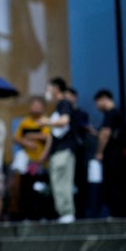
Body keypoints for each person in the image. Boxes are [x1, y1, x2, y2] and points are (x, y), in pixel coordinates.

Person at [40, 77, 77, 223]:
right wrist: (46, 152)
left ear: (56, 88)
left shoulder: (65, 103)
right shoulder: (58, 107)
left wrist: (47, 121)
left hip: (64, 151)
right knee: (57, 183)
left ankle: (67, 213)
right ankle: (63, 213)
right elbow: (52, 135)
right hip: (56, 152)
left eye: (48, 87)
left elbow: (64, 121)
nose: (47, 91)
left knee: (63, 182)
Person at [12, 96, 52, 221]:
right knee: (26, 190)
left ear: (43, 107)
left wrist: (31, 135)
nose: (35, 108)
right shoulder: (25, 122)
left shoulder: (46, 121)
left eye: (38, 105)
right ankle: (27, 216)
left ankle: (43, 215)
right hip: (27, 162)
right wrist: (27, 142)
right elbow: (16, 138)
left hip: (42, 162)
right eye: (33, 105)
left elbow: (47, 137)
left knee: (41, 189)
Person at [93, 89, 126, 217]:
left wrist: (99, 152)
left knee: (113, 184)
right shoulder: (117, 114)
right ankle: (121, 213)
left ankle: (117, 213)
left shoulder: (111, 113)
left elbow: (106, 133)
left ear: (103, 99)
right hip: (120, 156)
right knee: (120, 185)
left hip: (114, 156)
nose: (97, 107)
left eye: (97, 103)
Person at [65, 87, 91, 218]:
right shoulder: (63, 114)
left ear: (75, 97)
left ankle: (81, 212)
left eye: (69, 96)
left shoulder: (81, 114)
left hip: (79, 153)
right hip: (67, 152)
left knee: (80, 182)